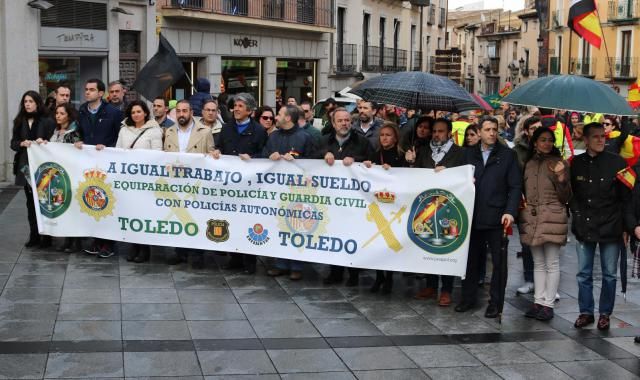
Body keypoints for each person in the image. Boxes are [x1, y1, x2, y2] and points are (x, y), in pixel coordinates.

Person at [456, 117, 522, 318]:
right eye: (487, 129)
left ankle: (495, 302)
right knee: (471, 260)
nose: (492, 133)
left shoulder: (508, 155)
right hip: (472, 214)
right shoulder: (467, 153)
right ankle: (468, 298)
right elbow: (456, 178)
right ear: (479, 131)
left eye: (495, 129)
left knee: (499, 263)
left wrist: (510, 211)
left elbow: (515, 186)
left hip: (497, 215)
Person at [570, 122, 633, 330]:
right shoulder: (576, 163)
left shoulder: (618, 162)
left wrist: (626, 227)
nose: (600, 140)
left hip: (611, 226)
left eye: (603, 136)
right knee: (583, 273)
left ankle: (605, 313)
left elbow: (627, 197)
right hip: (584, 225)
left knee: (609, 274)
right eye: (595, 137)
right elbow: (572, 196)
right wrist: (576, 217)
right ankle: (585, 311)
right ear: (586, 140)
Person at [408, 118, 466, 306]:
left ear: (449, 133)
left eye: (440, 131)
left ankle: (447, 289)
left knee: (446, 245)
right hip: (426, 207)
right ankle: (431, 285)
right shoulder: (424, 151)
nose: (436, 134)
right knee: (429, 243)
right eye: (434, 131)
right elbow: (414, 176)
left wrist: (448, 171)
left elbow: (464, 176)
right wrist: (411, 163)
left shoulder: (459, 153)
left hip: (448, 208)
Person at [212, 93, 268, 274]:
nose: (236, 109)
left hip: (250, 187)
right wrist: (217, 151)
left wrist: (253, 159)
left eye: (240, 106)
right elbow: (219, 146)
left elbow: (265, 156)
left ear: (250, 111)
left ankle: (249, 261)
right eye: (235, 105)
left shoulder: (259, 131)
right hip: (230, 187)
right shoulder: (226, 128)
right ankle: (234, 258)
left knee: (248, 221)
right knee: (232, 220)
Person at [519, 127, 572, 321]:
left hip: (553, 216)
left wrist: (561, 177)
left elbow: (567, 196)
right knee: (538, 263)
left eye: (550, 140)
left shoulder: (560, 163)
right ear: (535, 142)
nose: (547, 143)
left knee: (552, 262)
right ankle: (538, 301)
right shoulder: (529, 163)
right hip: (532, 217)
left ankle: (548, 304)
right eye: (543, 139)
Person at [318, 108, 374, 286]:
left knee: (352, 234)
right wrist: (323, 155)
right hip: (332, 199)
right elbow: (309, 160)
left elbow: (371, 163)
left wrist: (356, 160)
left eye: (347, 120)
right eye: (340, 120)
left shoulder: (362, 142)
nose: (344, 123)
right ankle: (335, 271)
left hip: (354, 200)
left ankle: (354, 274)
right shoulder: (323, 141)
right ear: (333, 123)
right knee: (334, 233)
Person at [264, 105, 316, 280]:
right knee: (279, 224)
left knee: (295, 224)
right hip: (277, 190)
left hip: (298, 190)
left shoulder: (304, 137)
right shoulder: (273, 136)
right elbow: (263, 157)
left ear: (288, 118)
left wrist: (297, 160)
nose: (275, 117)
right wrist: (268, 156)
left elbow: (314, 162)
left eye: (279, 114)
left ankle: (296, 264)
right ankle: (280, 262)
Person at [75, 78, 124, 257]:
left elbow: (120, 137)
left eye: (92, 90)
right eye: (86, 89)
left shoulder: (113, 112)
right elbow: (79, 132)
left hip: (107, 163)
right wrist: (78, 141)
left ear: (101, 93)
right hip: (89, 164)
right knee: (93, 199)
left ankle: (108, 243)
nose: (87, 92)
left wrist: (108, 147)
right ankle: (96, 240)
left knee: (108, 200)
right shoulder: (81, 111)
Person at [164, 100, 215, 268]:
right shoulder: (169, 131)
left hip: (197, 184)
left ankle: (197, 254)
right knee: (180, 216)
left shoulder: (205, 131)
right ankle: (181, 252)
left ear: (191, 112)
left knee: (197, 217)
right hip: (176, 183)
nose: (181, 114)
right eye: (178, 111)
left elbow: (210, 157)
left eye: (184, 111)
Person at [115, 101, 163, 261]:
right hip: (128, 180)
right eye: (133, 112)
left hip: (145, 180)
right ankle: (133, 246)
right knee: (130, 213)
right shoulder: (123, 130)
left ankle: (144, 249)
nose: (136, 114)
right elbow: (117, 151)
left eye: (139, 111)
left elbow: (157, 154)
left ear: (145, 113)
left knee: (143, 214)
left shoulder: (154, 130)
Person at [363, 122, 406, 293]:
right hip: (378, 204)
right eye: (382, 135)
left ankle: (389, 277)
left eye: (388, 135)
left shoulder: (401, 155)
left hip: (394, 205)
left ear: (395, 137)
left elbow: (406, 177)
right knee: (379, 241)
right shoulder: (375, 154)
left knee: (390, 240)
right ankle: (379, 276)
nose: (384, 138)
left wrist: (395, 170)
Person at [10, 91, 55, 248]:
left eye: (30, 101)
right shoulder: (19, 121)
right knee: (30, 203)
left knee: (45, 201)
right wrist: (22, 143)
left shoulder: (47, 121)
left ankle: (47, 237)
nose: (27, 104)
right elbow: (13, 143)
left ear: (37, 102)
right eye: (25, 101)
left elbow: (54, 143)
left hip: (44, 168)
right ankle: (34, 235)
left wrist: (43, 142)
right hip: (26, 166)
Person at [512, 116, 543, 295]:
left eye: (540, 128)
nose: (537, 131)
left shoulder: (549, 148)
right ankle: (529, 279)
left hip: (545, 203)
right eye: (533, 129)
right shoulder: (518, 151)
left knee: (546, 243)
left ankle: (547, 281)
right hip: (526, 202)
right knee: (527, 244)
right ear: (526, 131)